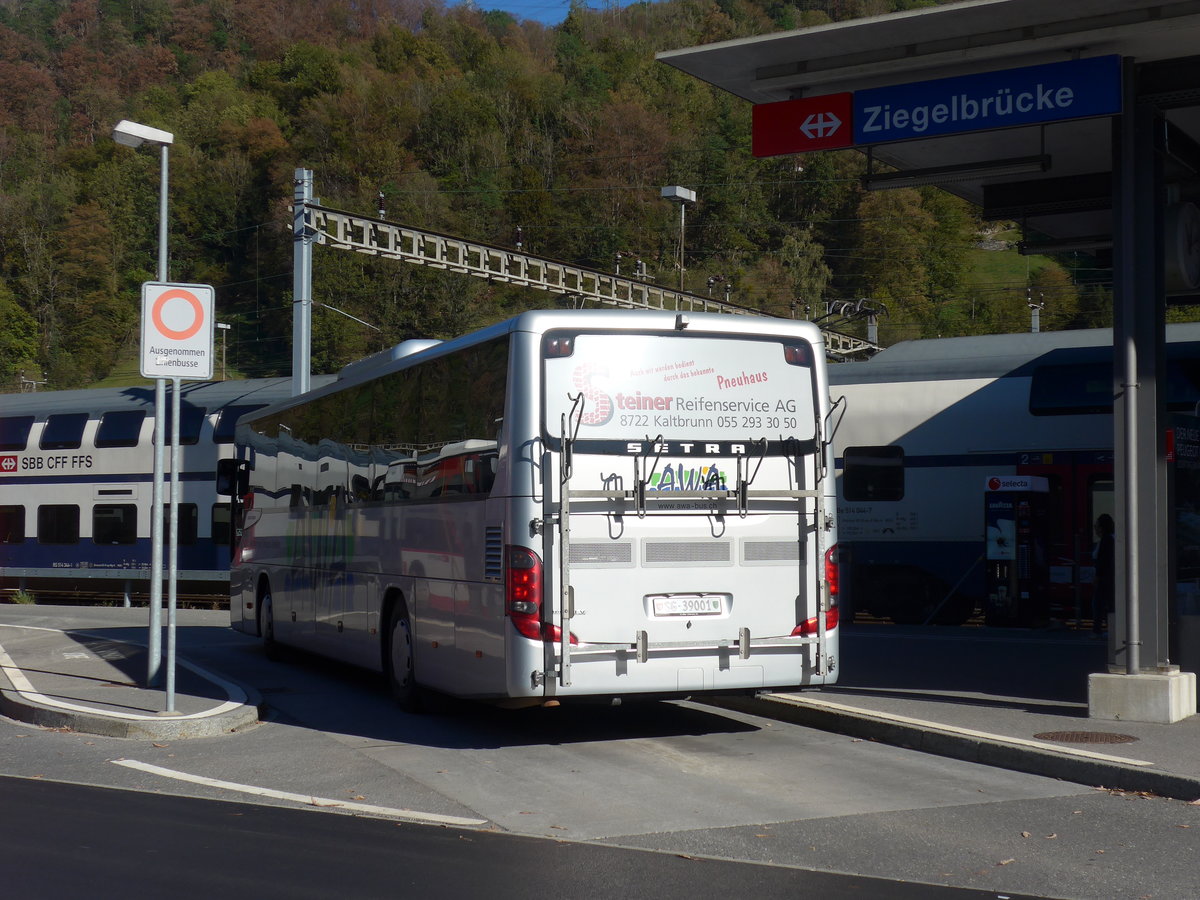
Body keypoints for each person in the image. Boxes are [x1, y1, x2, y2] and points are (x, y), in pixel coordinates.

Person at [1092, 513, 1115, 635]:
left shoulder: (1107, 540)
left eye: (1096, 525)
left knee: (1099, 604)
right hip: (1108, 578)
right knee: (1106, 604)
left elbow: (1103, 560)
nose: (1095, 528)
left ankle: (1098, 630)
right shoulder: (1110, 538)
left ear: (1102, 527)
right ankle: (1105, 628)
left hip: (1104, 579)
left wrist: (1097, 576)